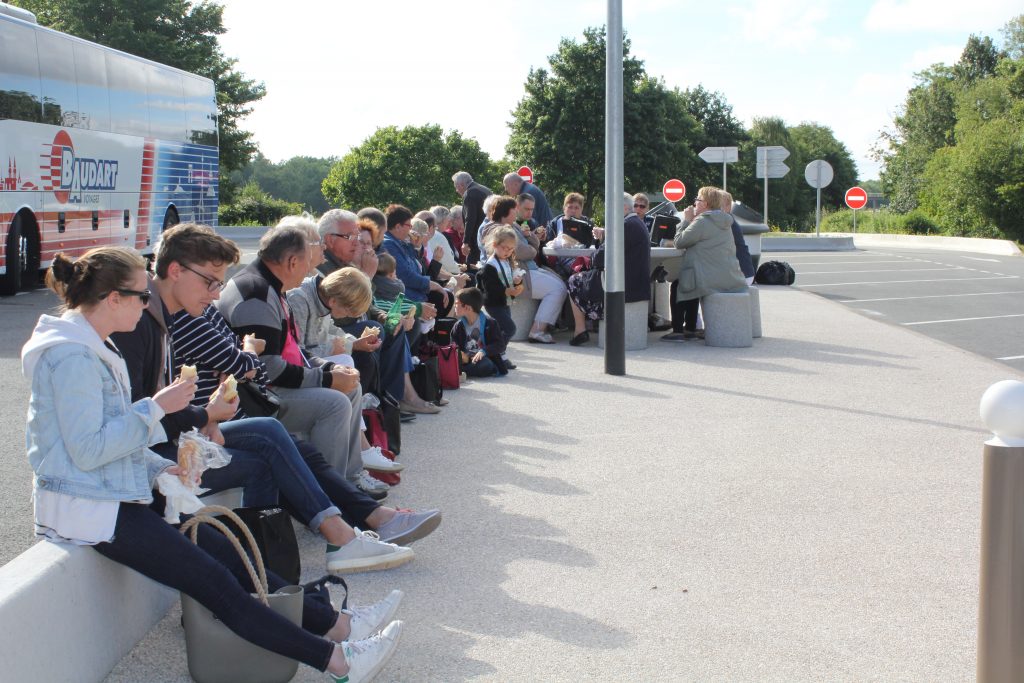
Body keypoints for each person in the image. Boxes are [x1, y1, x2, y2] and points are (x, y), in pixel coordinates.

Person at [22, 246, 405, 681]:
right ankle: (338, 661)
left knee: (226, 554)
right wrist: (156, 408)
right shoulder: (72, 355)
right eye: (141, 296)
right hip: (91, 508)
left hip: (109, 494)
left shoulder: (90, 344)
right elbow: (89, 448)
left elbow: (104, 439)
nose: (146, 304)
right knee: (217, 583)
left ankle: (338, 626)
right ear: (113, 298)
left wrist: (157, 469)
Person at [109, 223, 412, 566]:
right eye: (210, 282)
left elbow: (246, 361)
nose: (216, 294)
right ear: (176, 271)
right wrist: (209, 411)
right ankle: (322, 543)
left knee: (289, 443)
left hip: (202, 422)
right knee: (293, 432)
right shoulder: (178, 317)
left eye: (218, 283)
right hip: (179, 441)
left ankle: (343, 529)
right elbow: (250, 365)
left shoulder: (183, 311)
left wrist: (215, 402)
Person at [215, 225, 380, 497]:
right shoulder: (257, 295)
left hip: (268, 386)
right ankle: (331, 494)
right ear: (292, 262)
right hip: (257, 398)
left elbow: (296, 350)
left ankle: (349, 479)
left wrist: (329, 367)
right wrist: (327, 379)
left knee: (351, 388)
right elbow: (268, 370)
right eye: (308, 263)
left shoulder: (271, 287)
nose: (310, 271)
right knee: (335, 403)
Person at [662, 186, 748, 342]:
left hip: (710, 278)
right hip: (729, 277)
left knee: (679, 284)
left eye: (698, 199)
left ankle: (678, 331)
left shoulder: (703, 221)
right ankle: (690, 329)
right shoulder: (725, 221)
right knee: (691, 280)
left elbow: (679, 242)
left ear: (706, 204)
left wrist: (686, 220)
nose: (695, 202)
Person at [567, 192, 651, 346]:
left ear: (624, 208)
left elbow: (600, 258)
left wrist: (598, 246)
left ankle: (580, 329)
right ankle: (591, 320)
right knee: (586, 278)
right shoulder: (637, 223)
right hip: (635, 283)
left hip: (622, 285)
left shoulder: (624, 226)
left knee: (574, 279)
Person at [511, 193, 567, 344]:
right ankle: (537, 330)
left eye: (532, 209)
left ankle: (544, 327)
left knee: (561, 283)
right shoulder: (507, 226)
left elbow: (533, 247)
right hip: (520, 273)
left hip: (528, 268)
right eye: (526, 209)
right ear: (516, 207)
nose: (530, 213)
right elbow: (524, 252)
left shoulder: (521, 224)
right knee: (558, 289)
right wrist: (532, 246)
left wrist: (531, 236)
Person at [380, 204, 452, 316]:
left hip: (414, 292)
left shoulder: (400, 242)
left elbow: (416, 267)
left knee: (445, 296)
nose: (410, 229)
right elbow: (405, 275)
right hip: (407, 296)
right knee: (441, 297)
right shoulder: (389, 244)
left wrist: (416, 246)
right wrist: (432, 284)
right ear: (398, 227)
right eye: (408, 225)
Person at [477, 225, 524, 367]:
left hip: (504, 302)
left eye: (511, 249)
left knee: (502, 330)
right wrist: (507, 291)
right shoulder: (490, 266)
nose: (508, 252)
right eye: (505, 248)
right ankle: (493, 352)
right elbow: (490, 288)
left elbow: (508, 279)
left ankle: (499, 355)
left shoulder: (507, 261)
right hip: (494, 304)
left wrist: (517, 282)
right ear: (495, 245)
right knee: (510, 329)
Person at [451, 287, 508, 377]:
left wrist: (483, 351)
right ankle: (459, 371)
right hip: (466, 360)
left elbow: (500, 345)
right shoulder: (458, 325)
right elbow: (453, 343)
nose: (454, 306)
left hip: (484, 359)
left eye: (456, 303)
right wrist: (460, 354)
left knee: (486, 365)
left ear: (468, 308)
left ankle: (459, 372)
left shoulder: (490, 323)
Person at [452, 171, 493, 265]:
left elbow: (470, 219)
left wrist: (465, 242)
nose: (456, 190)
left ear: (462, 185)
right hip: (491, 234)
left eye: (456, 187)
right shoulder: (485, 190)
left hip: (478, 238)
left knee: (472, 267)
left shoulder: (470, 193)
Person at [721, 191, 756, 285]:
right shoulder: (727, 220)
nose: (715, 208)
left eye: (720, 205)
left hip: (742, 274)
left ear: (728, 207)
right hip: (744, 272)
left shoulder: (727, 222)